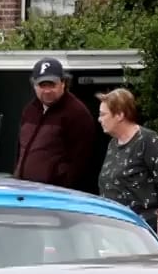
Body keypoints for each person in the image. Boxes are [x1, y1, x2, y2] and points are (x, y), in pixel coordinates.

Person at [96, 88, 158, 247]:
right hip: (115, 229)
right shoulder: (113, 144)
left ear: (120, 115)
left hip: (142, 230)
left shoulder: (148, 141)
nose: (99, 119)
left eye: (103, 114)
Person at [15, 56, 97, 191]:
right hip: (25, 191)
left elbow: (81, 162)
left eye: (51, 84)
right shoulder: (29, 110)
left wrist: (62, 187)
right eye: (42, 85)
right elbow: (20, 151)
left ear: (63, 83)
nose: (47, 90)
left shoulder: (77, 113)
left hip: (56, 197)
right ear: (34, 85)